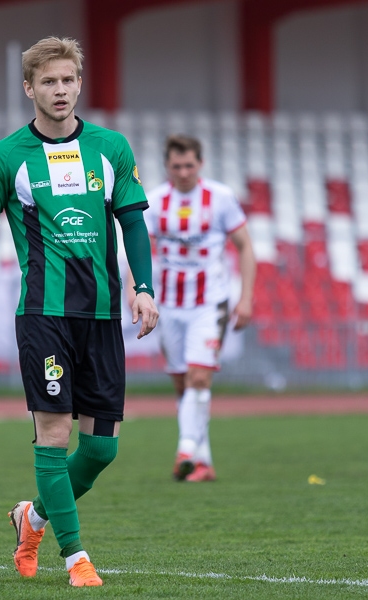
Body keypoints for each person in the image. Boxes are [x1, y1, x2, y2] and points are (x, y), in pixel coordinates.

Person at [0, 36, 159, 588]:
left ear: (79, 84)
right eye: (48, 81)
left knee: (102, 449)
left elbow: (133, 223)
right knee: (55, 434)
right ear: (28, 88)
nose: (59, 90)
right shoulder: (5, 157)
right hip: (43, 316)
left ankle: (32, 517)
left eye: (67, 80)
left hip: (103, 316)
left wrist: (144, 288)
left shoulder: (111, 148)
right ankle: (75, 557)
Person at [136, 134, 255, 483]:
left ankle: (186, 448)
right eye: (177, 166)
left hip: (209, 303)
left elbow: (246, 247)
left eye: (189, 165)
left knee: (199, 377)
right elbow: (139, 247)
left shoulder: (220, 198)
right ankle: (203, 463)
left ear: (200, 164)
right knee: (182, 384)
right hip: (169, 305)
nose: (184, 172)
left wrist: (246, 297)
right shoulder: (155, 201)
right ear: (167, 166)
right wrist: (135, 289)